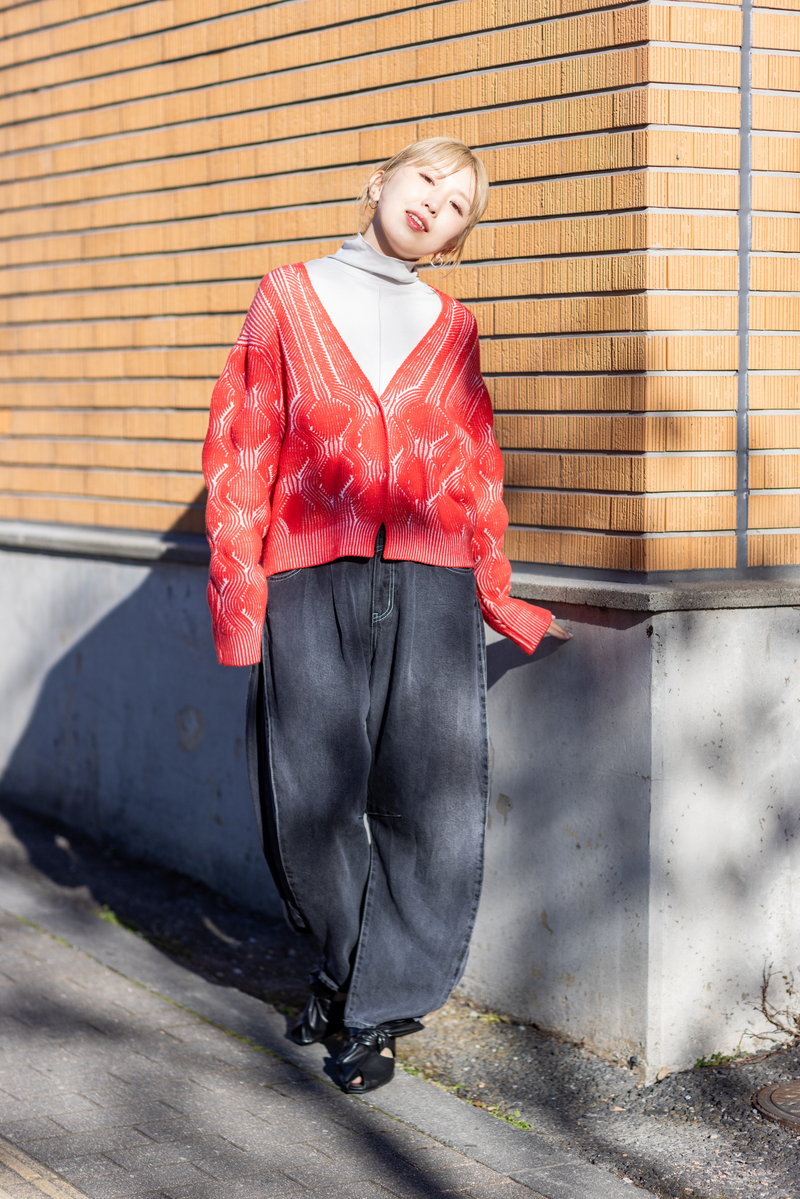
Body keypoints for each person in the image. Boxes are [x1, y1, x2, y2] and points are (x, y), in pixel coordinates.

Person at [202, 137, 571, 1095]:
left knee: (431, 802)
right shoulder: (286, 297)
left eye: (458, 208)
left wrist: (496, 594)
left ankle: (371, 1011)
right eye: (427, 181)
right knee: (306, 804)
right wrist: (240, 600)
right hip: (307, 578)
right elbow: (243, 448)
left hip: (432, 582)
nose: (435, 204)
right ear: (380, 182)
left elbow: (476, 467)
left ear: (454, 243)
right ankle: (342, 970)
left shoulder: (454, 328)